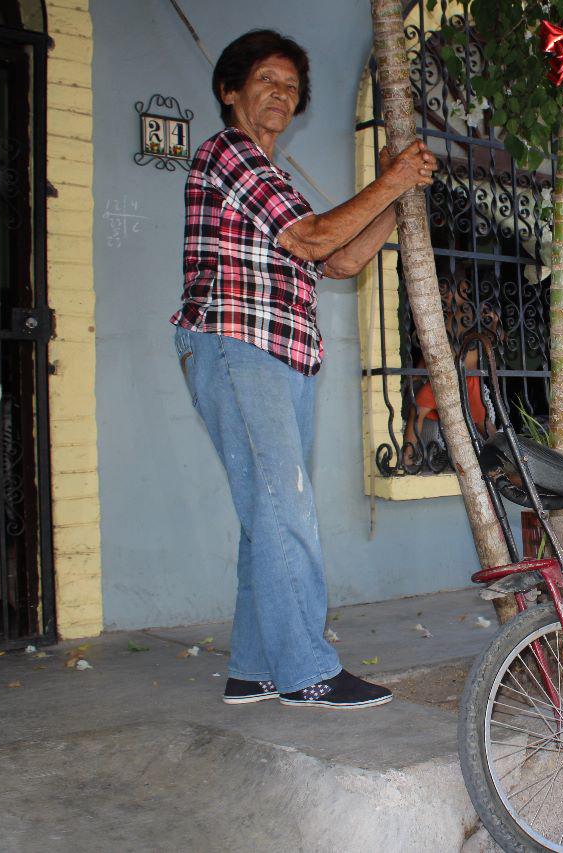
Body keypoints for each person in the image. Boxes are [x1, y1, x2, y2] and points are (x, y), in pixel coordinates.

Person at [170, 30, 437, 710]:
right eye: (267, 80)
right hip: (239, 345)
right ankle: (306, 671)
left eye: (291, 87)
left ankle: (254, 667)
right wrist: (391, 180)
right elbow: (315, 236)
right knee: (287, 508)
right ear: (230, 91)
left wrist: (397, 200)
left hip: (281, 356)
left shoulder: (274, 179)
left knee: (270, 513)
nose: (281, 94)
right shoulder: (228, 153)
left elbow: (340, 260)